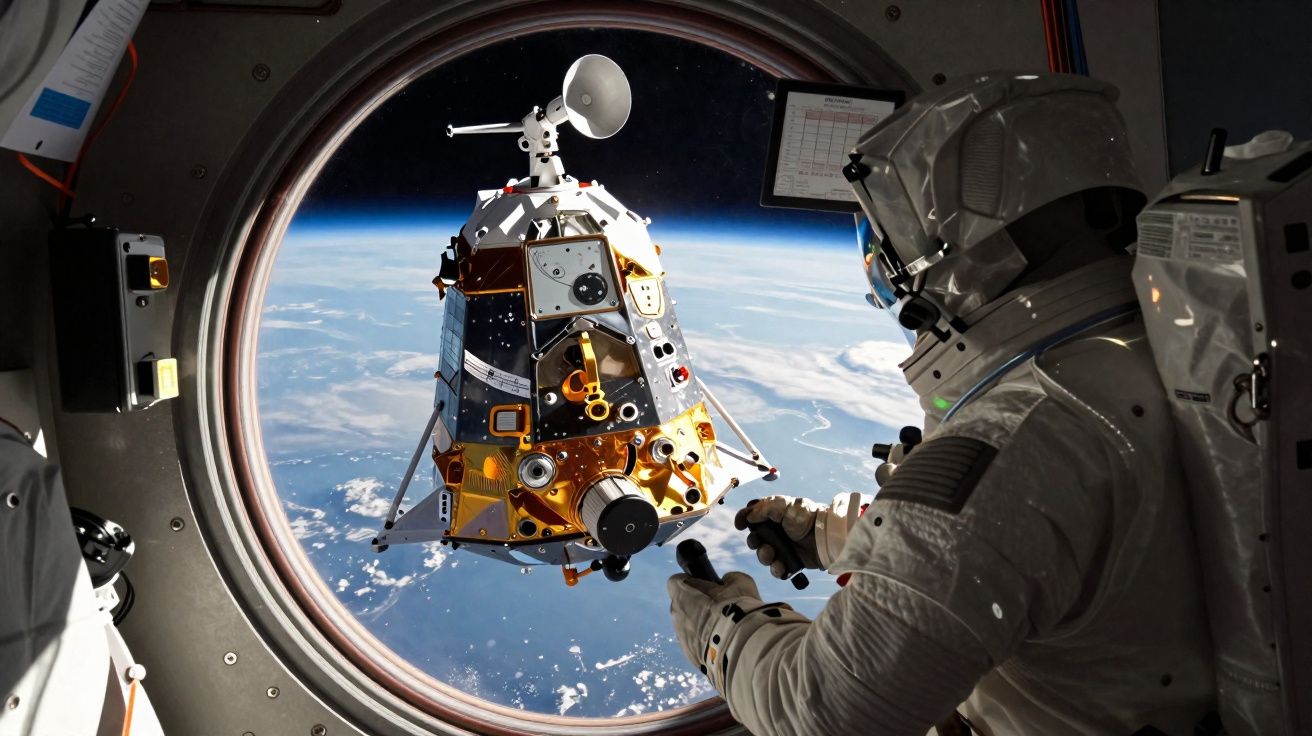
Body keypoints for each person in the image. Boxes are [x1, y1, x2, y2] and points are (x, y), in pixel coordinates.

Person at [667, 72, 1216, 736]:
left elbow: (822, 713)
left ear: (957, 253)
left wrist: (725, 627)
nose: (883, 272)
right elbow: (1025, 546)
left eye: (885, 245)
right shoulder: (1166, 352)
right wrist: (832, 536)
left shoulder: (1019, 437)